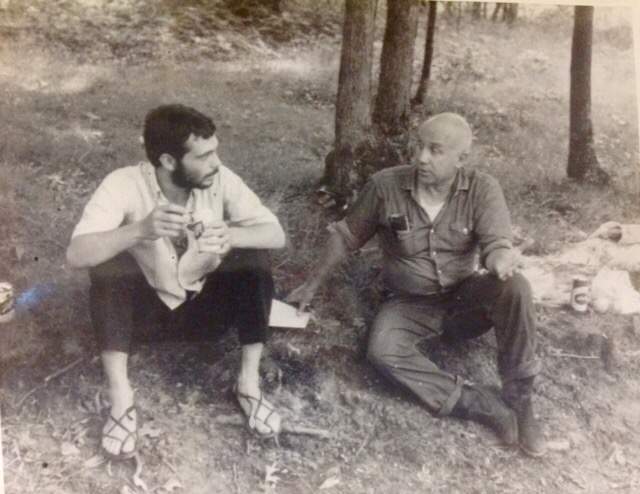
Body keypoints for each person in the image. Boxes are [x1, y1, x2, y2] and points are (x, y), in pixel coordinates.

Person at [288, 113, 545, 457]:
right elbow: (345, 236)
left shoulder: (482, 188)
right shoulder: (385, 186)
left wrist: (500, 260)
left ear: (461, 159)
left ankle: (520, 398)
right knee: (381, 351)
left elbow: (497, 243)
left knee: (517, 288)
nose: (422, 158)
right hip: (409, 303)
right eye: (419, 147)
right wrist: (312, 284)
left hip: (464, 298)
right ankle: (480, 404)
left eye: (435, 150)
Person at [67, 104, 285, 460]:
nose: (216, 162)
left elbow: (275, 233)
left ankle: (248, 384)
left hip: (206, 315)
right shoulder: (123, 183)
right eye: (204, 155)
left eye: (215, 150)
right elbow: (76, 254)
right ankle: (122, 400)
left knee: (254, 258)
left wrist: (230, 234)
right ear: (168, 161)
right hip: (143, 320)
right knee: (107, 265)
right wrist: (139, 230)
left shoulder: (219, 178)